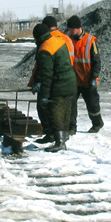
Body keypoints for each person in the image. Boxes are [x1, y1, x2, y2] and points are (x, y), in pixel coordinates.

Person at [32, 22, 77, 152]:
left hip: (60, 85)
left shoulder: (45, 49)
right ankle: (58, 137)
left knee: (55, 112)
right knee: (66, 112)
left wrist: (44, 96)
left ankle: (60, 142)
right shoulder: (57, 41)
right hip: (70, 82)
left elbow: (47, 75)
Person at [65, 15, 104, 133]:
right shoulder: (68, 40)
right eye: (70, 29)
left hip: (88, 79)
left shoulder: (90, 41)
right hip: (74, 80)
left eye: (73, 29)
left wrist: (94, 77)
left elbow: (96, 61)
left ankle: (97, 123)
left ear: (79, 28)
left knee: (92, 104)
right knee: (71, 105)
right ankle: (72, 127)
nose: (71, 31)